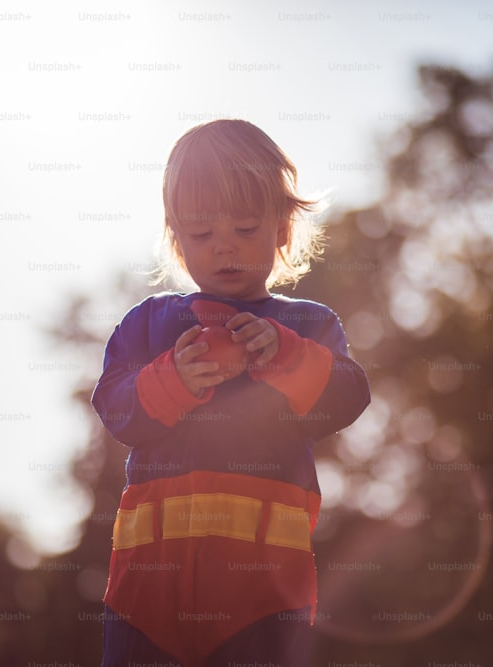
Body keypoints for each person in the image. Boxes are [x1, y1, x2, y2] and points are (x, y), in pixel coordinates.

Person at [91, 119, 371, 667]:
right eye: (200, 235)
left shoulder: (309, 325)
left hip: (263, 592)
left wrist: (286, 356)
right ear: (175, 237)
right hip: (147, 587)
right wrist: (170, 381)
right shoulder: (147, 325)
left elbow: (349, 394)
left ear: (282, 229)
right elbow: (114, 407)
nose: (224, 247)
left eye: (245, 228)